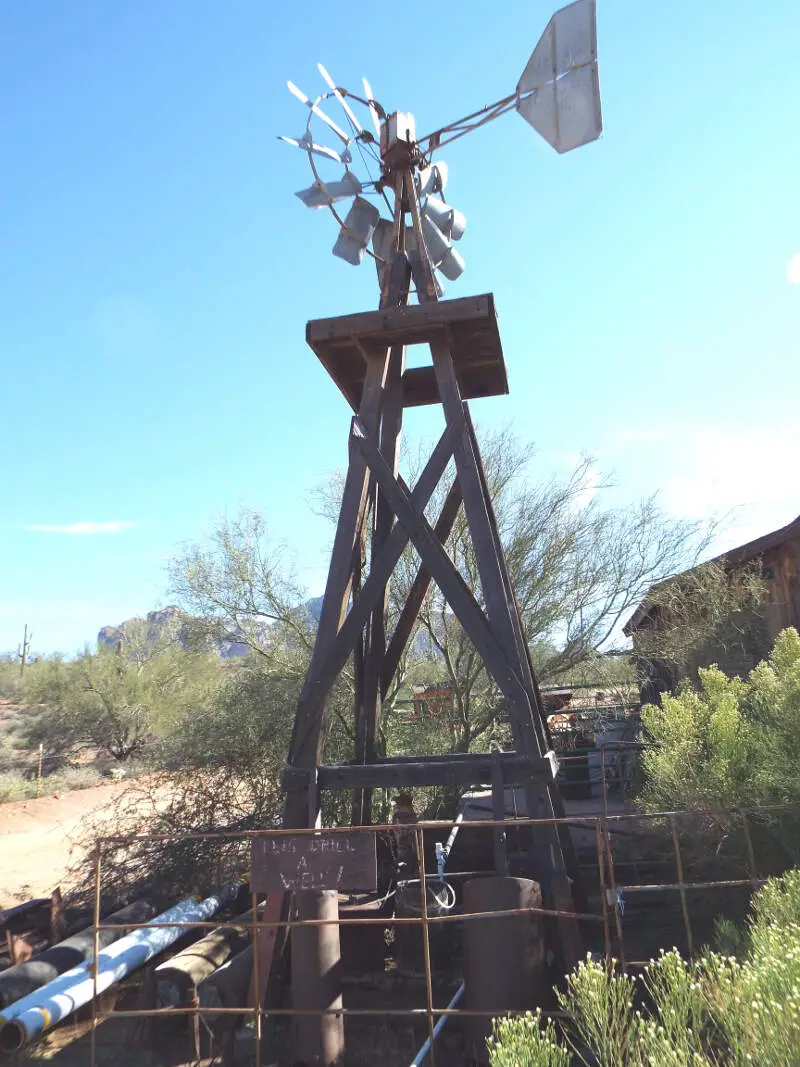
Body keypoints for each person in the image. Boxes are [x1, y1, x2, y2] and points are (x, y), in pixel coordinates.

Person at [391, 792, 419, 877]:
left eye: (400, 804)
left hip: (415, 850)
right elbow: (399, 834)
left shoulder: (414, 817)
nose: (398, 807)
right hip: (402, 850)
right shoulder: (397, 817)